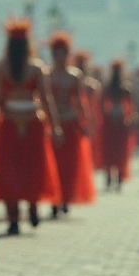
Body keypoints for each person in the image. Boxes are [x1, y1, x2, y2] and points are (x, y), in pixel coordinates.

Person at [0, 20, 61, 235]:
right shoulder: (34, 67)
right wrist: (55, 125)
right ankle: (31, 207)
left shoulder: (5, 67)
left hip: (15, 122)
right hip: (29, 122)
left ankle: (16, 215)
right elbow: (46, 99)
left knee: (12, 169)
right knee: (30, 168)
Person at [46, 31, 95, 216]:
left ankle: (66, 197)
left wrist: (85, 122)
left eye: (62, 52)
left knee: (69, 165)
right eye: (56, 52)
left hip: (71, 123)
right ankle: (53, 199)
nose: (59, 56)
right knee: (53, 163)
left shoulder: (75, 76)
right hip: (52, 123)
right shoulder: (47, 75)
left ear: (68, 54)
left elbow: (80, 102)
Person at [100, 60, 136, 192]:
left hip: (121, 120)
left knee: (121, 150)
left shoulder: (125, 87)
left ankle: (119, 175)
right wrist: (107, 116)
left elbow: (130, 106)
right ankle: (109, 174)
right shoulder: (108, 87)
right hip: (111, 120)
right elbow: (102, 105)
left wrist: (128, 118)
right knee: (110, 150)